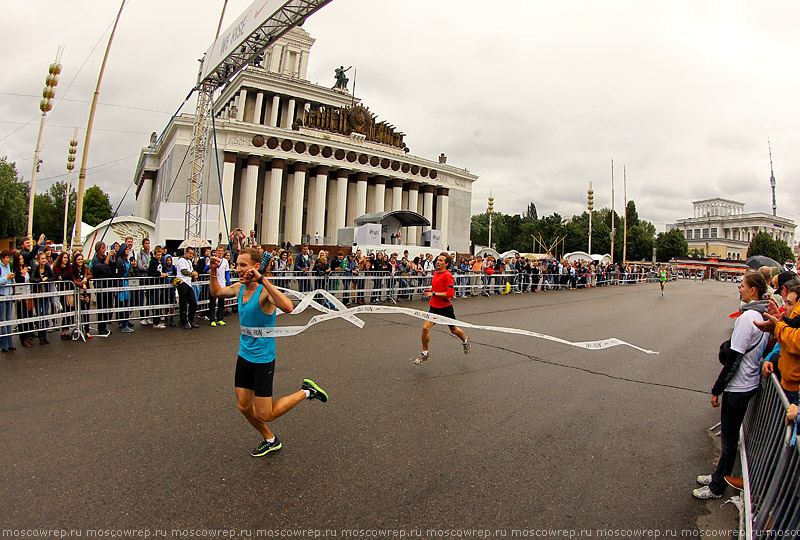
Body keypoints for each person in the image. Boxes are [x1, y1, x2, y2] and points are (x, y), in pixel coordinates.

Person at [208, 247, 328, 457]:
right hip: (244, 356)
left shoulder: (264, 292)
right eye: (237, 265)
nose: (238, 269)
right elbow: (216, 292)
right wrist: (212, 271)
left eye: (243, 265)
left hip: (262, 359)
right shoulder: (238, 289)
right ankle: (270, 439)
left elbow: (289, 307)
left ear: (255, 267)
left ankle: (307, 391)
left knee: (266, 413)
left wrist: (263, 280)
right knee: (244, 407)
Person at [693, 272, 770, 499]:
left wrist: (717, 389)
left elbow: (733, 360)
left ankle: (717, 487)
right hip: (747, 382)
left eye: (743, 285)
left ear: (753, 290)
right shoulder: (760, 314)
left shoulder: (747, 319)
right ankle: (719, 475)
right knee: (729, 437)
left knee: (728, 438)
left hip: (739, 386)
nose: (740, 289)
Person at [414, 253, 471, 365]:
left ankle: (465, 341)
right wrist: (430, 291)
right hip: (434, 307)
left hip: (445, 308)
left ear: (446, 264)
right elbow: (436, 289)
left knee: (453, 330)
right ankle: (425, 353)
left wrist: (433, 293)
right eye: (437, 260)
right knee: (425, 328)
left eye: (441, 261)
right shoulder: (436, 273)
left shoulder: (447, 275)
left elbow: (450, 293)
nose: (438, 262)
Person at [30, 251, 55, 345]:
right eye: (42, 258)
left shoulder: (47, 268)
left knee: (45, 313)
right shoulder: (36, 269)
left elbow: (53, 276)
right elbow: (32, 279)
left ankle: (44, 334)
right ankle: (40, 334)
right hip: (38, 294)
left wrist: (47, 279)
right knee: (39, 314)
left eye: (45, 258)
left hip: (45, 294)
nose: (44, 260)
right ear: (38, 260)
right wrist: (40, 280)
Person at [90, 242, 114, 337]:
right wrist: (108, 257)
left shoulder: (104, 258)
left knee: (106, 306)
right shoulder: (96, 260)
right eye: (103, 248)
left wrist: (113, 257)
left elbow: (111, 267)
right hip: (100, 286)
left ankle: (104, 327)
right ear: (98, 250)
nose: (104, 250)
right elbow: (103, 268)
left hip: (106, 285)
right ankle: (101, 328)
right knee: (101, 307)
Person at [12, 252, 34, 347]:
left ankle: (28, 336)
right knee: (22, 317)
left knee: (28, 317)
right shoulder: (16, 271)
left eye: (22, 259)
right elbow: (19, 283)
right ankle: (23, 338)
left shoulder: (25, 268)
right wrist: (23, 274)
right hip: (20, 297)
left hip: (28, 295)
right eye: (20, 259)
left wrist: (27, 271)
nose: (22, 261)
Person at [175, 247, 199, 330]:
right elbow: (184, 272)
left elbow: (192, 271)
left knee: (193, 303)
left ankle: (191, 320)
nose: (191, 255)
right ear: (186, 252)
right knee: (183, 303)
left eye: (192, 254)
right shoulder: (181, 260)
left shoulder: (189, 261)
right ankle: (183, 321)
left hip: (188, 283)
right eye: (190, 253)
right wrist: (192, 274)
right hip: (182, 282)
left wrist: (194, 272)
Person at [209, 246, 229, 327]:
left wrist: (228, 282)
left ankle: (220, 318)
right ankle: (212, 319)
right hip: (214, 284)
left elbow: (227, 272)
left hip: (222, 284)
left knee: (221, 303)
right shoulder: (213, 259)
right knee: (212, 302)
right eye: (219, 251)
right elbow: (206, 268)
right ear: (216, 251)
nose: (220, 252)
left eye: (222, 251)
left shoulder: (225, 261)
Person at [0, 250, 16, 353]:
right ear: (2, 258)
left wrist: (12, 279)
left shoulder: (8, 267)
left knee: (9, 319)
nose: (8, 260)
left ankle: (10, 343)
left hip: (8, 294)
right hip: (2, 295)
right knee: (3, 320)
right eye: (6, 258)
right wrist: (6, 277)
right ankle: (3, 344)